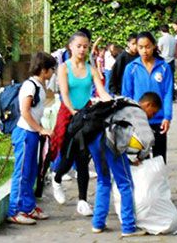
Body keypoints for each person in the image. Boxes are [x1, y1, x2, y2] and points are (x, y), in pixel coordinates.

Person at [51, 31, 112, 216]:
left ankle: (83, 200)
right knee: (68, 157)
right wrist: (73, 112)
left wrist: (114, 102)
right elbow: (65, 95)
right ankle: (57, 178)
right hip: (68, 114)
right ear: (71, 46)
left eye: (85, 46)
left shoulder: (91, 69)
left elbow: (101, 91)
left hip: (85, 115)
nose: (82, 49)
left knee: (83, 157)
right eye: (79, 46)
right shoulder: (64, 68)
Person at [89, 92, 162, 238]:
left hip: (93, 138)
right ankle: (129, 227)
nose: (151, 117)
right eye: (152, 113)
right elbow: (148, 140)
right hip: (110, 142)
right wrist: (139, 157)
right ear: (148, 105)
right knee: (126, 184)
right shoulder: (137, 111)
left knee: (103, 180)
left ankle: (98, 223)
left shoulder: (121, 101)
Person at [7, 52, 57, 225]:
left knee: (30, 171)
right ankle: (14, 210)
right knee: (21, 173)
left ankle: (28, 207)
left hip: (32, 133)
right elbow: (25, 112)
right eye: (52, 69)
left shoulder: (39, 85)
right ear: (43, 70)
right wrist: (41, 129)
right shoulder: (30, 86)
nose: (53, 73)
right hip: (25, 133)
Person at [121, 31, 173, 162]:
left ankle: (159, 181)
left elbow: (167, 93)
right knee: (140, 159)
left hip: (158, 119)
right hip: (138, 120)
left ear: (154, 46)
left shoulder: (164, 68)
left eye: (148, 46)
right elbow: (127, 95)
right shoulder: (131, 68)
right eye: (140, 47)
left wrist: (167, 117)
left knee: (159, 158)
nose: (144, 50)